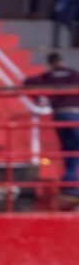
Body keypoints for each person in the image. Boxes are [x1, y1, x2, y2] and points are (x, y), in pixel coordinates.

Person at [25, 52, 79, 198]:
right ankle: (70, 182)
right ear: (62, 60)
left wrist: (38, 98)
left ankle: (69, 184)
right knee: (75, 148)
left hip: (59, 114)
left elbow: (28, 82)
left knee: (67, 148)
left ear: (50, 63)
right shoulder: (73, 74)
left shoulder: (48, 76)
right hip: (75, 114)